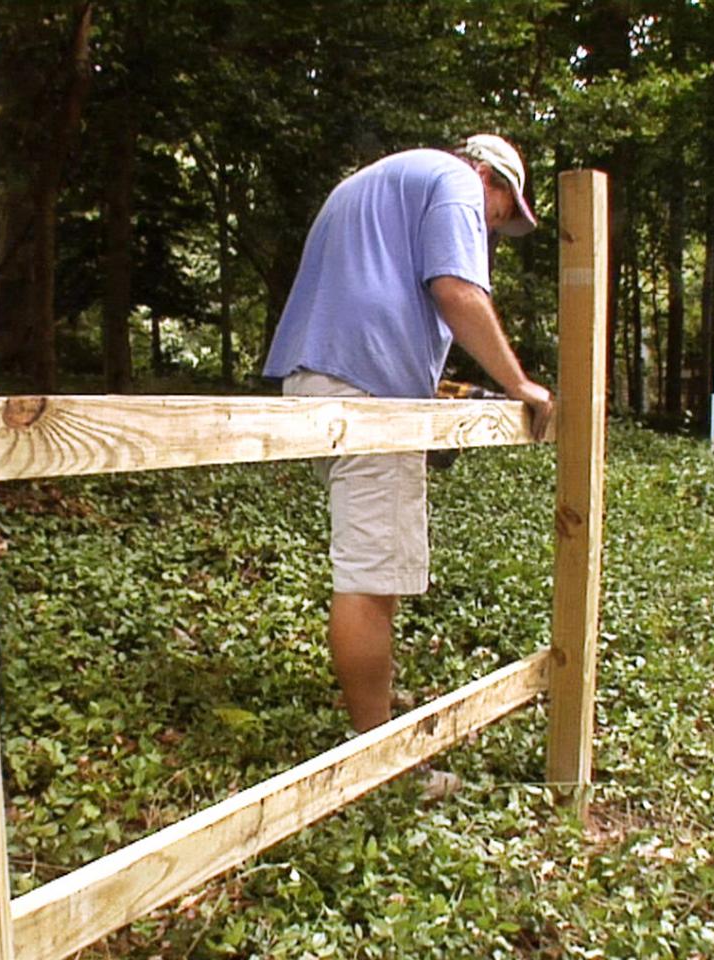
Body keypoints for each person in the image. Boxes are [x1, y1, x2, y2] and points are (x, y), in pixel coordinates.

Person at [263, 135, 553, 784]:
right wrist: (519, 384)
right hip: (371, 393)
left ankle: (377, 716)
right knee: (371, 577)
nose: (494, 228)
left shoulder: (379, 182)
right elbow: (455, 290)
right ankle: (379, 760)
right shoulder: (454, 182)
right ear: (487, 175)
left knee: (371, 565)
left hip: (316, 378)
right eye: (501, 212)